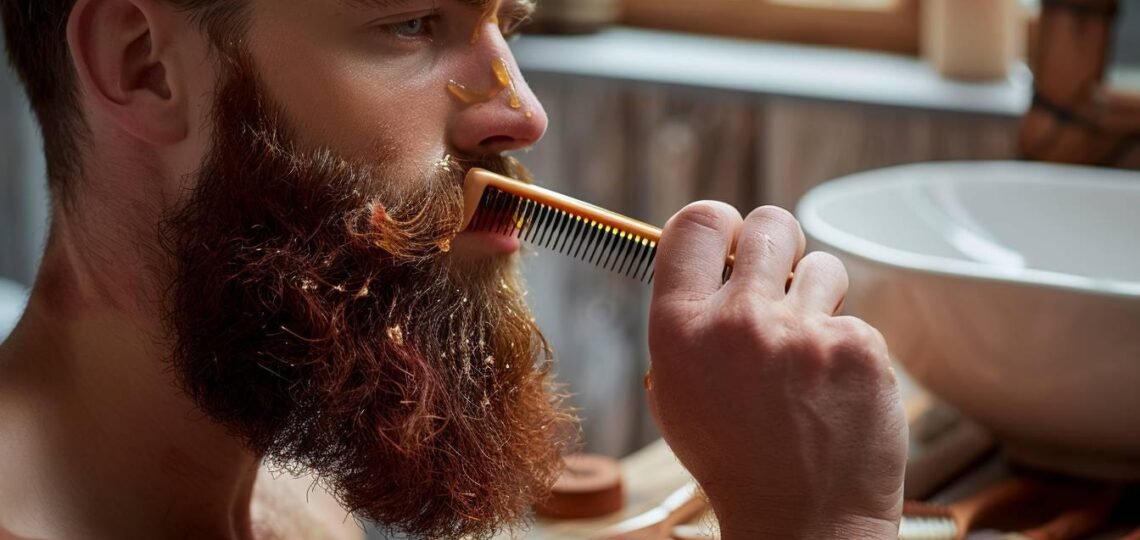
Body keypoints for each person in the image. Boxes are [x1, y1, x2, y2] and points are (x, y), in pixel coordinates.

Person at [0, 0, 907, 538]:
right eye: (410, 23)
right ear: (142, 64)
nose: (521, 113)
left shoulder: (298, 498)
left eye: (503, 22)